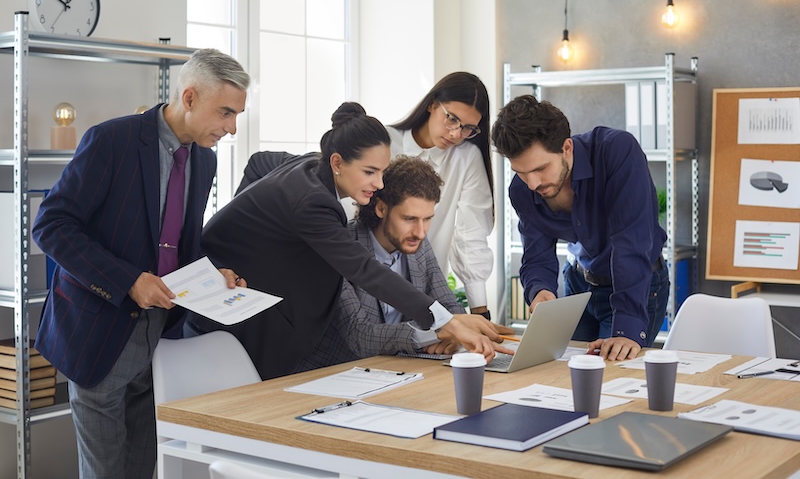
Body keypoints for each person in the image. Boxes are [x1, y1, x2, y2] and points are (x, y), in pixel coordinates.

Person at [32, 48, 250, 479]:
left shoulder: (204, 159)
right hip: (99, 332)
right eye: (225, 112)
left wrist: (213, 273)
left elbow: (179, 244)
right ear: (189, 98)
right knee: (106, 472)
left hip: (159, 335)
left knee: (143, 467)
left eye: (238, 115)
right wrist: (129, 280)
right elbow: (52, 226)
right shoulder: (111, 141)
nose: (232, 128)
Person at [186, 102, 511, 380]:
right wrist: (444, 323)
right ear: (338, 163)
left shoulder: (311, 164)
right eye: (370, 172)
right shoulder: (316, 204)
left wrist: (251, 235)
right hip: (217, 303)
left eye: (382, 171)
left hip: (225, 286)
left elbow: (258, 162)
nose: (378, 184)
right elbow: (366, 271)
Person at [490, 95, 669, 361]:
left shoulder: (616, 152)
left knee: (609, 376)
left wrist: (626, 328)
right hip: (578, 287)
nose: (531, 183)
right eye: (521, 172)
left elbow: (632, 244)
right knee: (559, 376)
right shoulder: (522, 190)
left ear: (567, 147)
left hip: (635, 285)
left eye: (540, 169)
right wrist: (541, 292)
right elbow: (536, 254)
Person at [297, 156, 514, 370]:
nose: (420, 232)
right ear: (381, 209)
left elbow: (448, 306)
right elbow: (360, 337)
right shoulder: (341, 248)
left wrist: (452, 334)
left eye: (428, 219)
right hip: (333, 374)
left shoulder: (417, 244)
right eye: (409, 219)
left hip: (396, 369)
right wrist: (437, 332)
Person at [386, 72, 495, 319]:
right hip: (375, 293)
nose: (456, 134)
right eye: (452, 119)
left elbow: (471, 234)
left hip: (428, 297)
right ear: (433, 104)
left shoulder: (466, 157)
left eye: (468, 128)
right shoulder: (384, 142)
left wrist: (480, 314)